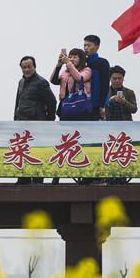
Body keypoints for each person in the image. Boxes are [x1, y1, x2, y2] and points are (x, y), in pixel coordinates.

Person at [13, 56, 56, 184]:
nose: (27, 69)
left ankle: (38, 180)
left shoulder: (41, 82)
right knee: (22, 152)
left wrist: (48, 121)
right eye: (24, 67)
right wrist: (15, 118)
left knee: (36, 153)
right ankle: (23, 178)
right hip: (21, 123)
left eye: (29, 66)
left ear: (34, 67)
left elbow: (52, 101)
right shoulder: (21, 82)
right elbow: (17, 102)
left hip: (37, 124)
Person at [49, 48, 93, 121]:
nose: (71, 59)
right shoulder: (65, 72)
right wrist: (59, 65)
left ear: (81, 59)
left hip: (80, 104)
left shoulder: (87, 70)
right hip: (65, 104)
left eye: (75, 57)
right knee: (66, 131)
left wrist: (68, 63)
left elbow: (79, 78)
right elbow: (54, 81)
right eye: (70, 57)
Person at [83, 34, 110, 120]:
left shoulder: (102, 62)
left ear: (97, 46)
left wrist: (102, 105)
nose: (86, 48)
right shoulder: (82, 63)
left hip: (96, 105)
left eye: (89, 45)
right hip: (83, 104)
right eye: (84, 45)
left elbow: (105, 84)